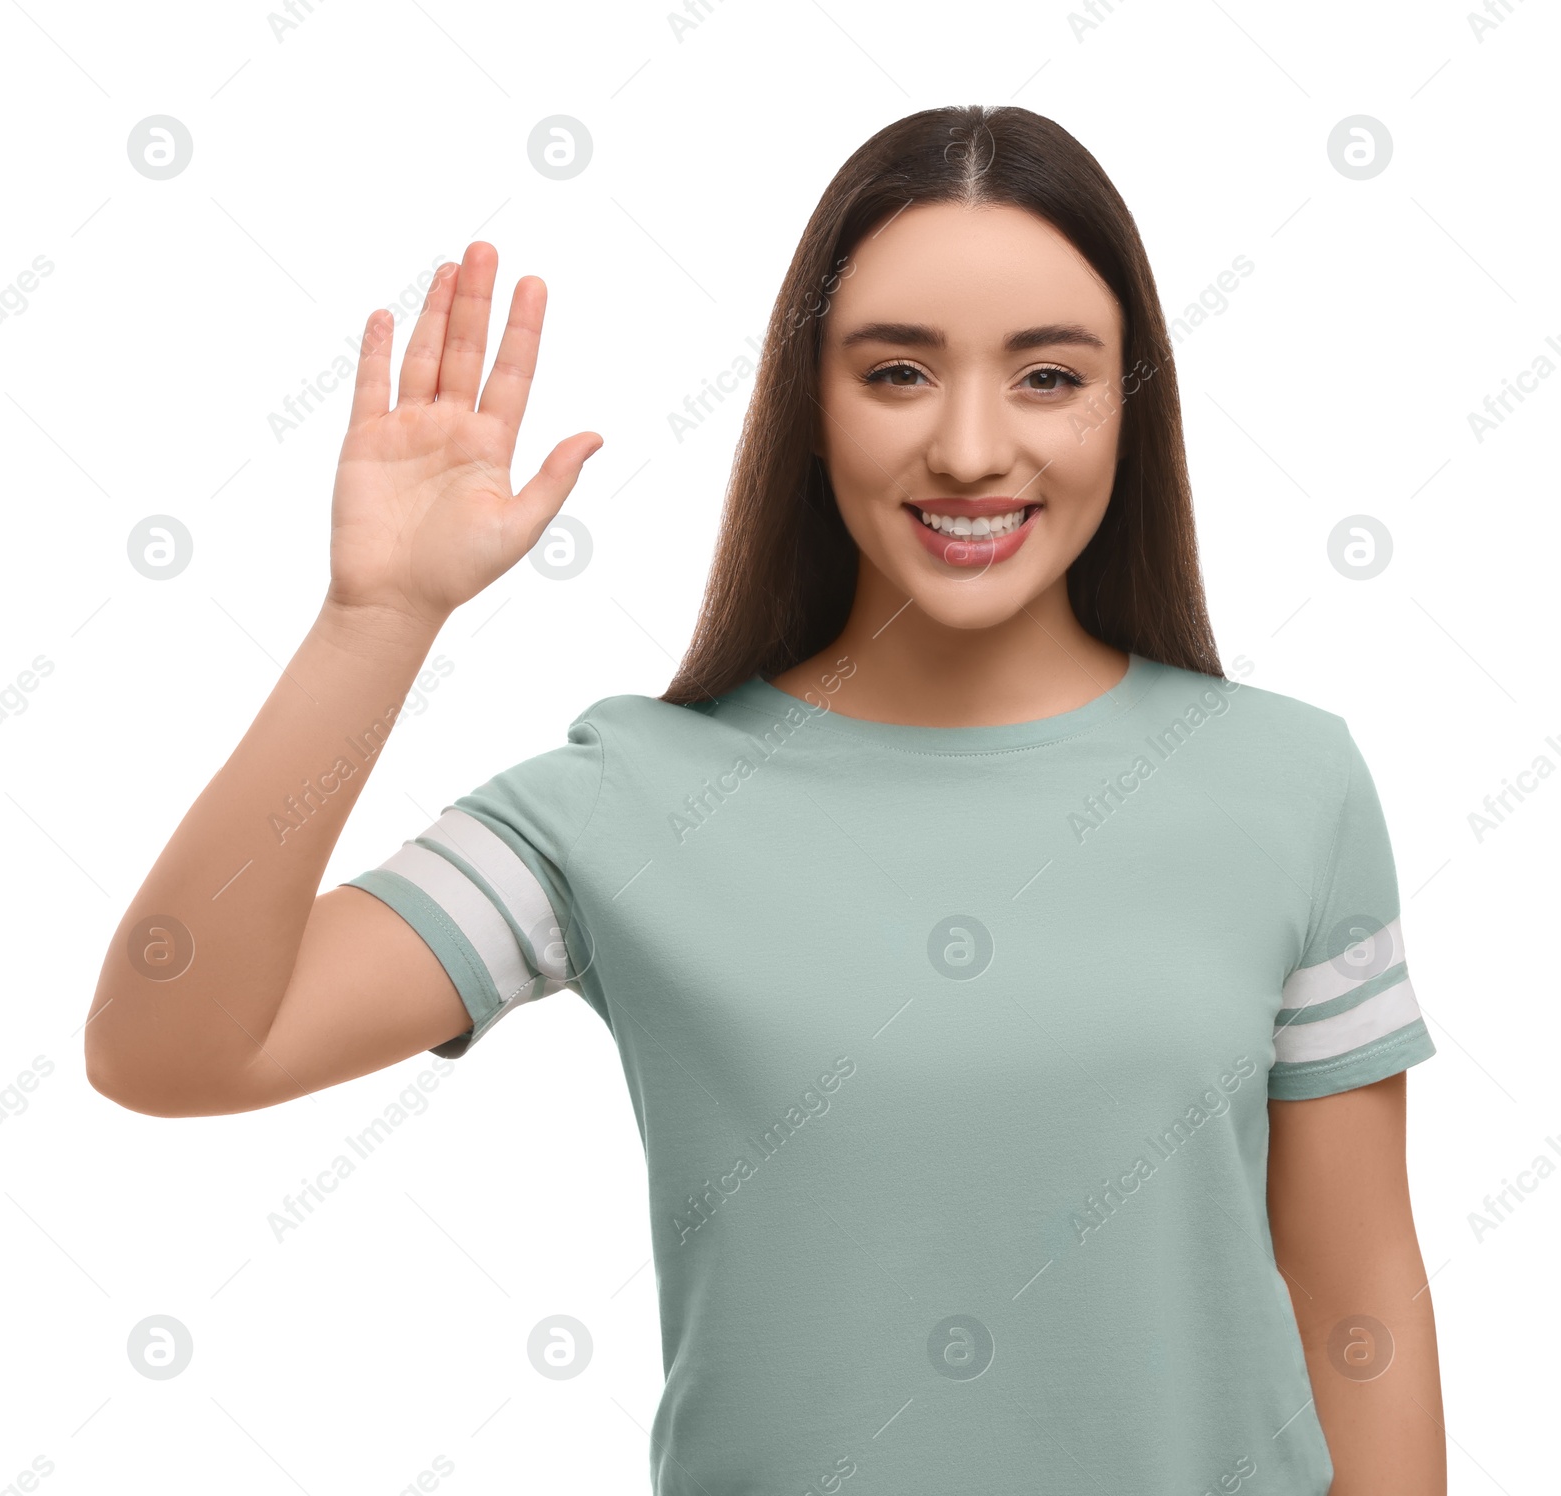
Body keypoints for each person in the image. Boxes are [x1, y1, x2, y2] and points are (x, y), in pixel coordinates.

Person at [86, 104, 1446, 1494]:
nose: (973, 449)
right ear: (810, 403)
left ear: (1129, 404)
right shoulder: (620, 809)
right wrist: (375, 619)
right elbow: (174, 1043)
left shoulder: (1289, 788)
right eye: (899, 372)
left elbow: (1360, 1306)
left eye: (1048, 376)